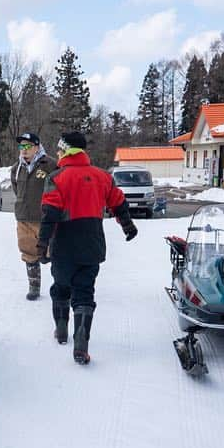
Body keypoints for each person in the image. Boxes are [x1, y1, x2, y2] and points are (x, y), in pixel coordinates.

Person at [37, 131, 138, 365]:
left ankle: (61, 329)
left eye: (60, 150)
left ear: (65, 151)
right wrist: (128, 226)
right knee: (84, 292)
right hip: (92, 245)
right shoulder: (103, 176)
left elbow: (49, 215)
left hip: (63, 246)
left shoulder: (56, 177)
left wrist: (42, 245)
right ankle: (81, 342)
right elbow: (119, 203)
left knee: (61, 287)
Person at [10, 132, 57, 301]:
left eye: (27, 146)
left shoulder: (50, 164)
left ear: (37, 147)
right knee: (28, 252)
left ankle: (60, 285)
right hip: (24, 217)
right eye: (21, 146)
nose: (23, 149)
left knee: (54, 252)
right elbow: (17, 190)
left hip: (46, 218)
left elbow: (58, 188)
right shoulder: (17, 168)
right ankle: (34, 286)